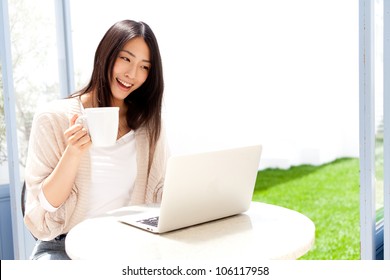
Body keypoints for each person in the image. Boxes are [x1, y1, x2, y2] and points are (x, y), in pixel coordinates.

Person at [24, 19, 169, 260]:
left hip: (126, 244)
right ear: (106, 54)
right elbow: (46, 208)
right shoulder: (52, 118)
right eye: (126, 59)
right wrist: (73, 153)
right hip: (63, 248)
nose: (132, 74)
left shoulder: (149, 126)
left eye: (145, 67)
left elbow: (161, 194)